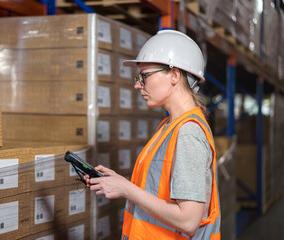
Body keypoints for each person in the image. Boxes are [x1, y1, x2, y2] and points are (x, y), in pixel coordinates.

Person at [85, 30, 221, 239]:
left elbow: (188, 221)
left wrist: (127, 189)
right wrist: (120, 182)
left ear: (175, 75)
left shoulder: (188, 133)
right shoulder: (168, 126)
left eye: (144, 76)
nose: (137, 84)